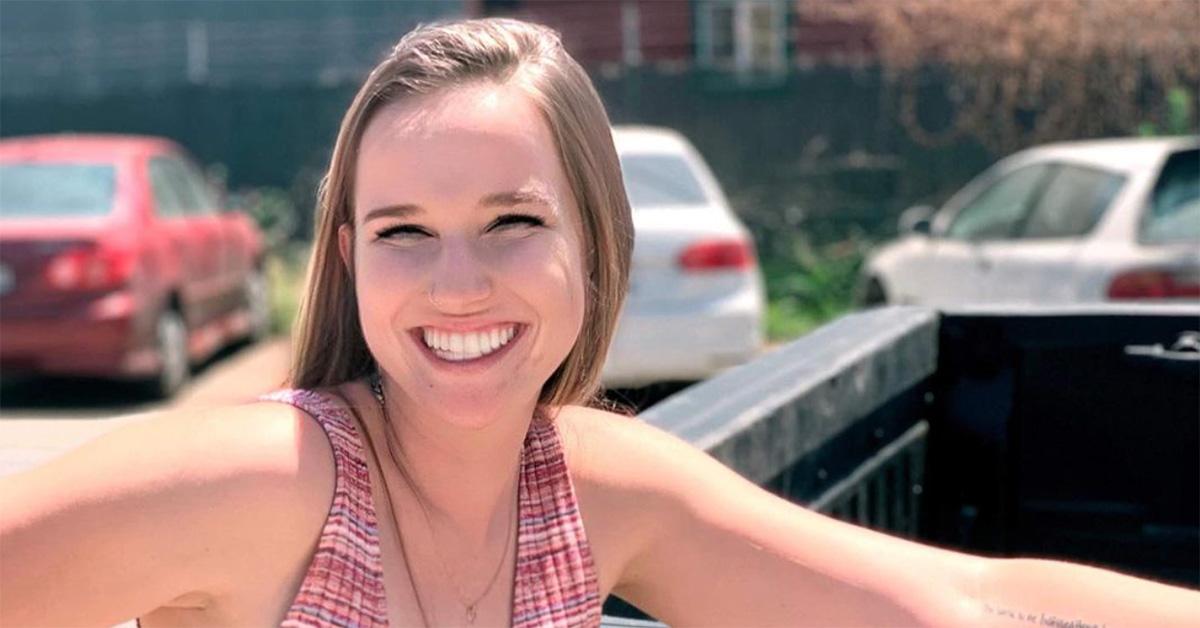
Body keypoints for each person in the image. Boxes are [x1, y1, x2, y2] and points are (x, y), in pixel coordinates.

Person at [1, 17, 1197, 628]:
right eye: (407, 231)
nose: (458, 283)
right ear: (351, 259)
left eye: (513, 221)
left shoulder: (592, 492)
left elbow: (960, 602)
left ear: (595, 243)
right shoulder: (266, 476)